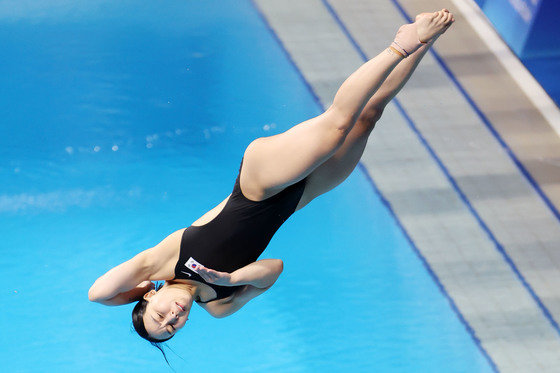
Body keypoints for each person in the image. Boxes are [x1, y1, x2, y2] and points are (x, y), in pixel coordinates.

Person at [89, 10, 454, 347]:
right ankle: (426, 41)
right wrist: (230, 280)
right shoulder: (219, 304)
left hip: (258, 183)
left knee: (337, 123)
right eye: (172, 327)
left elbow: (99, 293)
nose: (172, 317)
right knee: (369, 115)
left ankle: (403, 42)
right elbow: (273, 271)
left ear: (152, 295)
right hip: (301, 195)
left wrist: (140, 291)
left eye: (159, 315)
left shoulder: (160, 264)